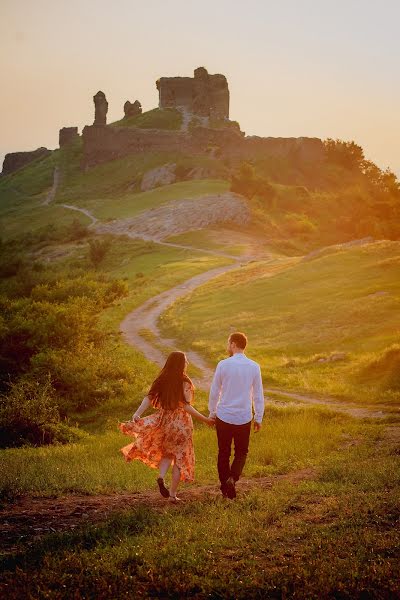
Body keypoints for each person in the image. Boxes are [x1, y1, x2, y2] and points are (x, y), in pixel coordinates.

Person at [119, 351, 214, 502]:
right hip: (182, 424)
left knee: (167, 453)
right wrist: (205, 419)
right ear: (182, 364)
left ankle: (161, 477)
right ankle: (172, 495)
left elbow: (149, 397)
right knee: (179, 458)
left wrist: (137, 413)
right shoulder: (185, 381)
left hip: (165, 422)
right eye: (186, 361)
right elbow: (186, 406)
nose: (188, 363)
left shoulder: (162, 379)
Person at [208, 332, 264, 499]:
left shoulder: (223, 365)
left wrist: (212, 412)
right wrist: (258, 417)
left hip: (224, 416)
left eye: (228, 344)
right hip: (244, 417)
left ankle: (225, 487)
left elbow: (214, 391)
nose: (228, 347)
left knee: (223, 452)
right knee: (241, 452)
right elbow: (258, 395)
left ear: (233, 344)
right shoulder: (254, 366)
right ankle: (233, 478)